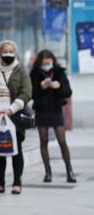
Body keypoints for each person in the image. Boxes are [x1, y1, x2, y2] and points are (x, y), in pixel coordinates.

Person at [0, 40, 32, 195]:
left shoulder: (21, 72)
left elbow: (26, 92)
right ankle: (0, 183)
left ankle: (17, 183)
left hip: (14, 117)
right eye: (5, 51)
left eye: (11, 51)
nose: (8, 54)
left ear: (15, 53)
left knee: (16, 151)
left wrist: (11, 109)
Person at [30, 49, 76, 183]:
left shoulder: (59, 72)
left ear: (52, 59)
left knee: (62, 141)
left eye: (48, 58)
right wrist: (41, 86)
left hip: (56, 110)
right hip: (41, 110)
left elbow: (68, 92)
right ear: (39, 60)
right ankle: (48, 172)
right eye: (43, 58)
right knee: (43, 141)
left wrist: (59, 86)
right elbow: (31, 93)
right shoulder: (35, 73)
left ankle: (69, 170)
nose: (46, 61)